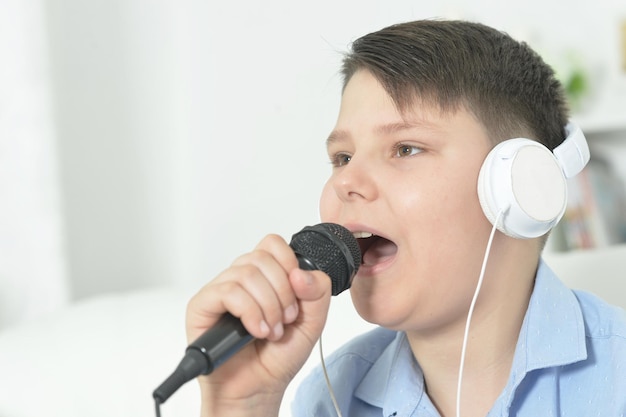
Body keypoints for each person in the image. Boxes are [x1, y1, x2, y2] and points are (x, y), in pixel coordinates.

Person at [185, 19, 626, 416]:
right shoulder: (331, 397)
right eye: (342, 157)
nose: (345, 182)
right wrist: (239, 408)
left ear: (518, 187)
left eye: (405, 148)